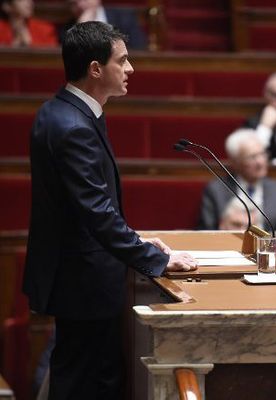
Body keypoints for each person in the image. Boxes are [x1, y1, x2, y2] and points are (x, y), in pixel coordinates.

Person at [22, 21, 196, 399]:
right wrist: (153, 258)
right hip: (84, 282)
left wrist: (134, 239)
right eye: (123, 60)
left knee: (87, 379)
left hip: (81, 275)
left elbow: (85, 209)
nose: (131, 68)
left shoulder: (64, 112)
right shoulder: (72, 125)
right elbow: (96, 212)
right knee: (87, 383)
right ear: (96, 69)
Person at [197, 128, 276, 231]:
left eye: (262, 154)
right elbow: (207, 231)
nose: (260, 162)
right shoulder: (216, 191)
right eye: (252, 157)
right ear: (235, 162)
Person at [61, 0, 148, 50]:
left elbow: (139, 49)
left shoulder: (124, 18)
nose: (80, 5)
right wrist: (80, 29)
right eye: (73, 3)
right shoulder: (67, 30)